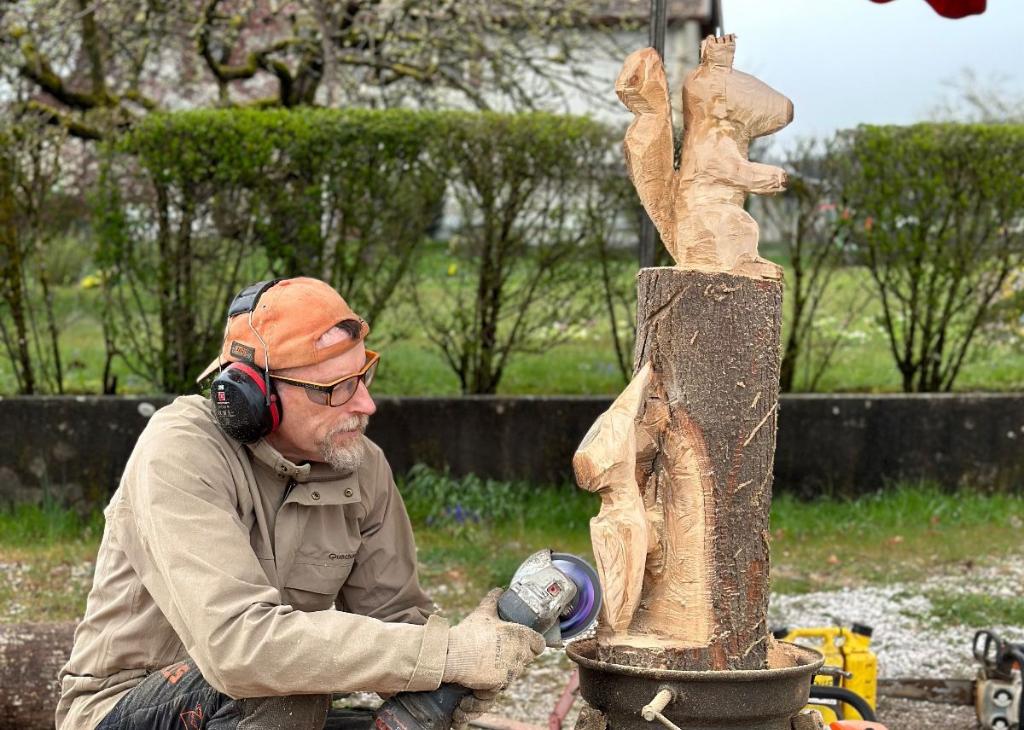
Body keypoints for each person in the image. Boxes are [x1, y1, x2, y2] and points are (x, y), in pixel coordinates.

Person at [56, 277, 546, 730]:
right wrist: (446, 653)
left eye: (363, 376)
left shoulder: (361, 464)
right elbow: (240, 651)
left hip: (265, 706)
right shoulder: (180, 450)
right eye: (337, 389)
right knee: (287, 687)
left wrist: (460, 669)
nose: (365, 405)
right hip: (128, 705)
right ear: (252, 396)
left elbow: (398, 626)